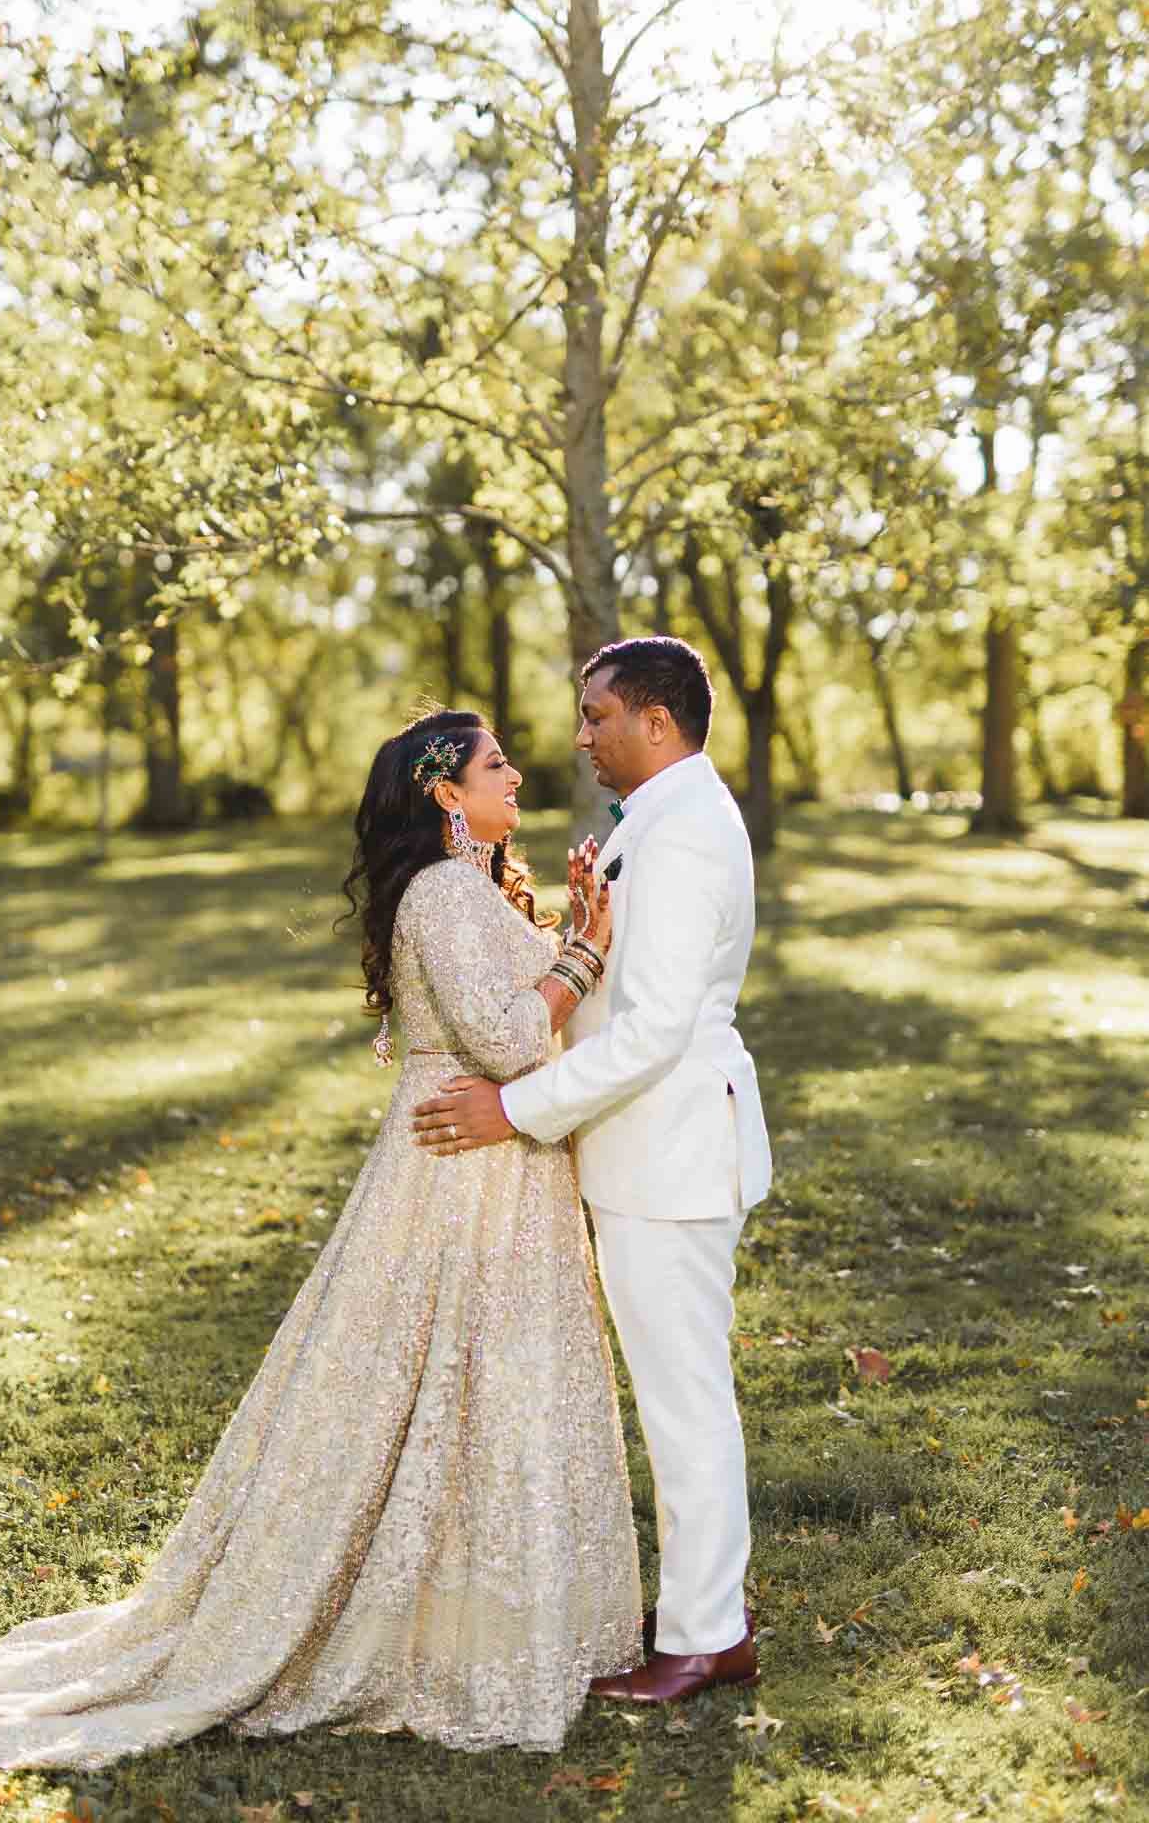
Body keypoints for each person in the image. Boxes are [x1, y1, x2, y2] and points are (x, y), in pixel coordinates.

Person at [0, 709, 641, 1768]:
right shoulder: (443, 891)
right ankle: (406, 1625)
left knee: (479, 1394)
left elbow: (506, 1007)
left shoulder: (472, 887)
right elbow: (511, 1038)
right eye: (495, 762)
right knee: (432, 1392)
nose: (517, 773)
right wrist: (588, 948)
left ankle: (484, 1614)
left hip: (496, 1172)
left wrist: (565, 928)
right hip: (461, 1181)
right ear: (445, 795)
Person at [413, 637, 772, 1706]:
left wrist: (513, 1108)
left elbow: (657, 1028)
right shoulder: (655, 825)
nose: (579, 735)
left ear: (656, 721)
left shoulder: (687, 834)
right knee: (676, 1392)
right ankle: (703, 1607)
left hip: (669, 1150)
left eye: (597, 713)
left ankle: (709, 1634)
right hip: (640, 1146)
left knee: (685, 1399)